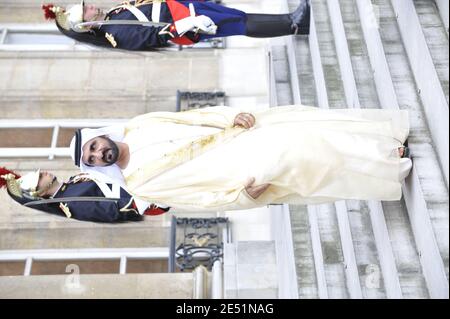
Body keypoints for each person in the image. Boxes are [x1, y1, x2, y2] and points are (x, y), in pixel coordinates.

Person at [69, 105, 413, 212]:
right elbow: (197, 201)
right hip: (243, 172)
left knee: (311, 131)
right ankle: (386, 165)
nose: (99, 153)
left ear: (100, 136)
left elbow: (194, 116)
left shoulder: (139, 125)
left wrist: (232, 117)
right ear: (96, 167)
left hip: (242, 135)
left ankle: (385, 144)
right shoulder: (140, 186)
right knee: (308, 159)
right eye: (93, 158)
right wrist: (241, 196)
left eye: (95, 146)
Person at [41, 0, 310, 51]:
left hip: (180, 8)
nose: (90, 7)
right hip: (182, 22)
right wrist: (183, 25)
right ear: (87, 24)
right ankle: (293, 24)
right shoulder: (113, 32)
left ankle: (292, 22)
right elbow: (150, 38)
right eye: (86, 10)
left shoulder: (113, 14)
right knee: (238, 24)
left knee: (237, 15)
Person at [0, 167, 169, 223]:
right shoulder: (70, 203)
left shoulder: (74, 181)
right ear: (40, 192)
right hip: (151, 197)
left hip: (148, 181)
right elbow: (109, 211)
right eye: (40, 177)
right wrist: (142, 199)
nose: (43, 172)